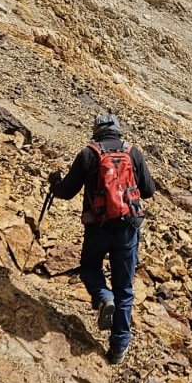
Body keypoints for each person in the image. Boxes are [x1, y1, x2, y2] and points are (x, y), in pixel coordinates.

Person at [48, 111, 156, 364]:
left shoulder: (89, 154)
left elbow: (66, 192)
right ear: (118, 130)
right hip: (128, 228)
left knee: (89, 266)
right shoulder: (133, 152)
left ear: (96, 131)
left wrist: (55, 182)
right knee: (125, 289)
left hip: (98, 227)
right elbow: (149, 191)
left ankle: (102, 297)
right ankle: (118, 348)